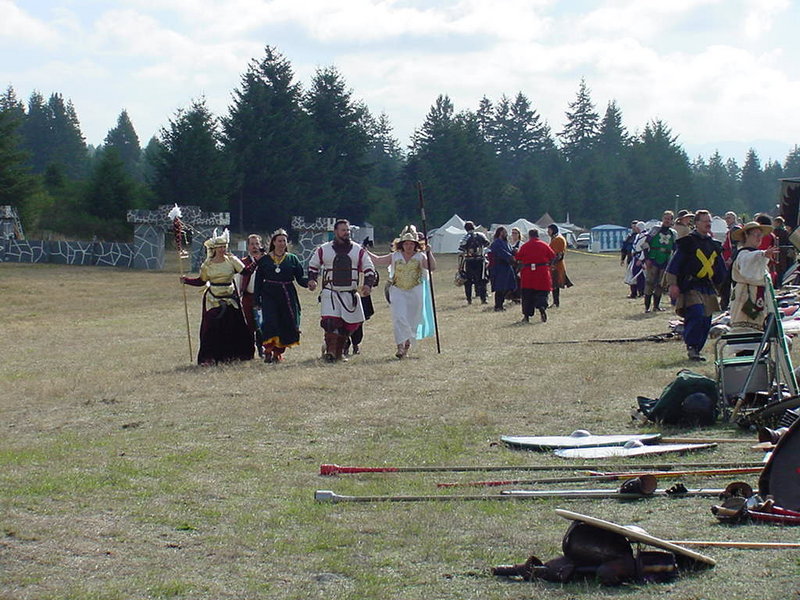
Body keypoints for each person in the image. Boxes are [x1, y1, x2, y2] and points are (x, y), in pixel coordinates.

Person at [180, 228, 254, 365]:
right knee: (211, 328)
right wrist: (186, 280)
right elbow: (201, 281)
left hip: (230, 298)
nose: (222, 249)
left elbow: (246, 272)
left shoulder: (232, 260)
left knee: (233, 326)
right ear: (214, 248)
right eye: (220, 247)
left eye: (224, 246)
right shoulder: (207, 265)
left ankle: (234, 356)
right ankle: (209, 357)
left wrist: (258, 261)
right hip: (213, 299)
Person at [307, 219, 376, 362]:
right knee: (331, 323)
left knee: (349, 325)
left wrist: (368, 285)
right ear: (336, 232)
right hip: (330, 293)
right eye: (343, 230)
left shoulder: (358, 250)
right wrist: (312, 280)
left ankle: (338, 351)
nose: (346, 233)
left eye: (348, 230)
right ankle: (331, 352)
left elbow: (369, 268)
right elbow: (313, 266)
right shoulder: (324, 249)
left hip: (349, 293)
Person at [665, 210, 726, 362]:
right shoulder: (688, 242)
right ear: (697, 223)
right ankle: (691, 346)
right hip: (691, 286)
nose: (708, 224)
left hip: (707, 286)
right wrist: (673, 284)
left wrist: (724, 289)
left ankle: (697, 349)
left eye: (709, 221)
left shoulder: (714, 245)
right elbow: (675, 264)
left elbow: (720, 270)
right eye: (704, 221)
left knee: (706, 319)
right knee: (697, 313)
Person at [370, 225, 436, 358]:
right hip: (398, 291)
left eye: (411, 244)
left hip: (415, 291)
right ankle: (399, 346)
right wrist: (363, 251)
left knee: (412, 319)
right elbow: (377, 260)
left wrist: (429, 253)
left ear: (415, 244)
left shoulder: (420, 256)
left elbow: (432, 267)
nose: (409, 246)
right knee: (399, 317)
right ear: (401, 244)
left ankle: (407, 345)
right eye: (406, 243)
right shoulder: (395, 256)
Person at [252, 229, 308, 363]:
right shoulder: (265, 260)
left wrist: (310, 282)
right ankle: (268, 350)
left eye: (284, 241)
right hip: (269, 294)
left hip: (287, 295)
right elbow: (258, 281)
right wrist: (256, 299)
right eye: (279, 241)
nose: (282, 243)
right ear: (274, 242)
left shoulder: (292, 259)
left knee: (285, 322)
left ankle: (278, 353)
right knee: (270, 321)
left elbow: (300, 278)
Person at [729, 221, 780, 331]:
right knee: (743, 330)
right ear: (746, 235)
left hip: (758, 296)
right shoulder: (743, 254)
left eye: (760, 235)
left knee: (757, 328)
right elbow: (748, 261)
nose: (759, 238)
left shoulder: (756, 254)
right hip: (744, 296)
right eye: (756, 234)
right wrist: (763, 254)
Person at [515, 229, 555, 323]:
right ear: (538, 235)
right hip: (542, 271)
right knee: (542, 292)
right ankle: (542, 306)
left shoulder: (525, 246)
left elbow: (518, 258)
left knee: (527, 295)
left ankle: (526, 316)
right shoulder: (544, 245)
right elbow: (552, 256)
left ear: (529, 236)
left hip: (528, 273)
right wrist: (549, 265)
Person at [641, 210, 677, 313]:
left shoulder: (673, 233)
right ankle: (647, 307)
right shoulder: (655, 230)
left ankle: (656, 306)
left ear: (672, 220)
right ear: (662, 219)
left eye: (669, 219)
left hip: (665, 260)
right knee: (650, 282)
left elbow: (675, 248)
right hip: (653, 259)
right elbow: (645, 244)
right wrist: (647, 258)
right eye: (665, 218)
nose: (667, 220)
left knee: (661, 284)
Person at [238, 233, 266, 357]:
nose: (254, 247)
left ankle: (262, 348)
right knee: (248, 324)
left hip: (263, 297)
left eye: (257, 244)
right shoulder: (243, 262)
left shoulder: (266, 261)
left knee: (261, 324)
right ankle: (248, 351)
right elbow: (239, 279)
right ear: (248, 246)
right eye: (252, 244)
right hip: (248, 296)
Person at [458, 221, 489, 305]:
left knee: (468, 281)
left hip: (469, 261)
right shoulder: (481, 235)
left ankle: (469, 299)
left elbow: (461, 249)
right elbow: (487, 243)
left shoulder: (465, 237)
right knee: (482, 280)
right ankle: (483, 299)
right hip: (480, 260)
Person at [488, 226, 517, 311]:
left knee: (510, 286)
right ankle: (498, 306)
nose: (506, 234)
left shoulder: (506, 242)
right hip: (499, 267)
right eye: (504, 232)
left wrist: (514, 252)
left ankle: (501, 303)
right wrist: (510, 257)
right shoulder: (496, 243)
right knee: (500, 287)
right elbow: (502, 253)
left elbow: (510, 251)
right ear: (500, 233)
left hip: (507, 267)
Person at [720, 211, 742, 311]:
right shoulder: (731, 230)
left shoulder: (735, 230)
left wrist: (731, 258)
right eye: (726, 218)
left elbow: (736, 246)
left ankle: (727, 304)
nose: (727, 220)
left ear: (734, 219)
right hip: (731, 260)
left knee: (729, 283)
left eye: (729, 218)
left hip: (733, 261)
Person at [547, 224, 571, 307]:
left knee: (555, 284)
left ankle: (556, 302)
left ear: (553, 230)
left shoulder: (558, 239)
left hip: (557, 265)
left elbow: (559, 255)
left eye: (549, 230)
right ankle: (555, 302)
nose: (548, 232)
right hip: (554, 265)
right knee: (554, 284)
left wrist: (552, 264)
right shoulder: (555, 239)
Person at [622, 221, 646, 298]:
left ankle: (642, 292)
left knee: (640, 276)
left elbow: (645, 249)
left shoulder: (645, 237)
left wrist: (641, 259)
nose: (636, 229)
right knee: (632, 274)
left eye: (637, 228)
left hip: (640, 258)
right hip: (635, 257)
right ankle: (634, 292)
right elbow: (634, 246)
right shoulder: (637, 236)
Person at [755, 214, 780, 285]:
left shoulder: (766, 236)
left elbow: (761, 250)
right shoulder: (771, 234)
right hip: (768, 265)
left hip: (765, 266)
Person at [772, 216, 795, 285]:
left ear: (778, 223)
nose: (774, 224)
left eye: (775, 222)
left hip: (782, 254)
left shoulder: (781, 232)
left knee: (781, 269)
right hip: (779, 253)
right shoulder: (781, 231)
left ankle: (780, 283)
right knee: (779, 269)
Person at [507, 227, 524, 303]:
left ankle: (518, 297)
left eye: (515, 233)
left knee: (518, 281)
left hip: (518, 265)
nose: (513, 235)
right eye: (512, 233)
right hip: (511, 265)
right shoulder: (509, 244)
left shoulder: (521, 244)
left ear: (519, 234)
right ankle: (512, 296)